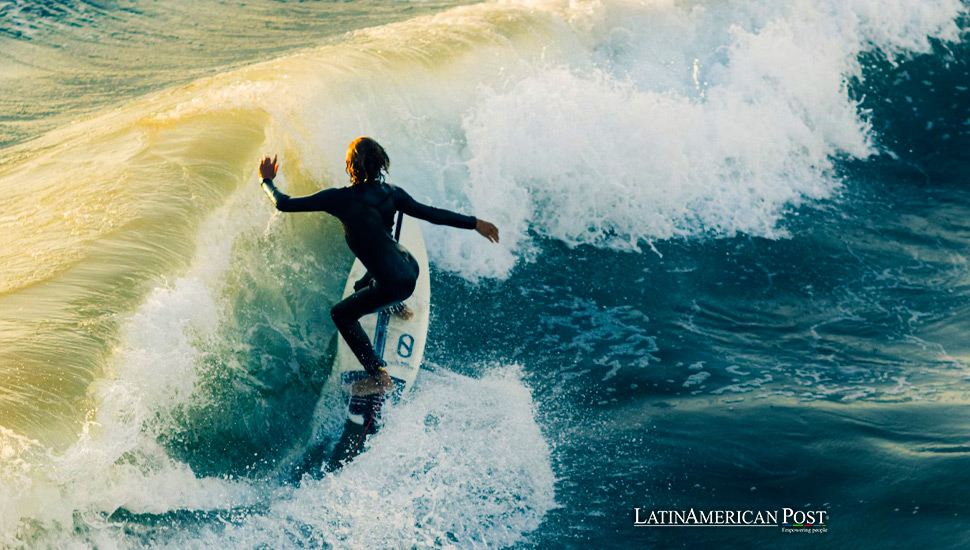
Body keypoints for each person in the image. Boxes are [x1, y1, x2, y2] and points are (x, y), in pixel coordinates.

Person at [258, 137, 500, 392]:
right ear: (380, 164)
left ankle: (377, 376)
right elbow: (432, 213)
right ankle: (398, 307)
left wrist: (266, 180)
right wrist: (475, 223)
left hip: (394, 283)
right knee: (362, 283)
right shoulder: (392, 193)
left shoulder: (338, 199)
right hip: (409, 265)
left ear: (351, 166)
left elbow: (283, 203)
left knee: (341, 314)